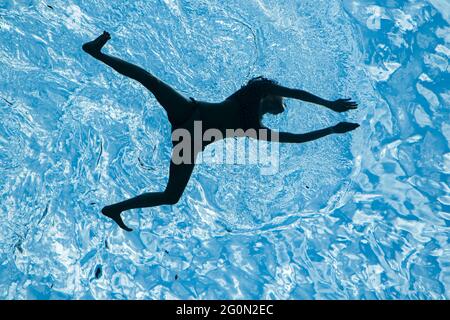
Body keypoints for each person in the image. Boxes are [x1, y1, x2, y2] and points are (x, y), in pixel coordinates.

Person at [82, 31, 359, 231]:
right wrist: (329, 105)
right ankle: (97, 52)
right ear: (273, 96)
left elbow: (295, 139)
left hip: (189, 138)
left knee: (171, 196)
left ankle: (115, 209)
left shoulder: (256, 129)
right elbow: (296, 93)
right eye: (282, 101)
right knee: (150, 80)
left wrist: (333, 129)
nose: (284, 106)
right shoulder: (256, 92)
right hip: (192, 114)